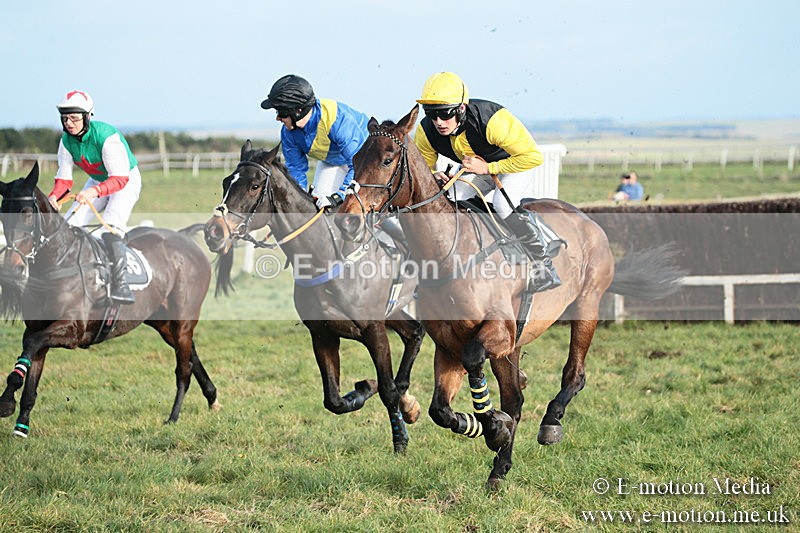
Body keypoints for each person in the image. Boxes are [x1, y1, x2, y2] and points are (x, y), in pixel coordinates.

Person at [413, 71, 561, 291]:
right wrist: (433, 174)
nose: (438, 122)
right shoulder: (426, 130)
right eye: (432, 114)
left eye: (444, 114)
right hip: (476, 168)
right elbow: (424, 166)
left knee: (502, 203)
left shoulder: (493, 121)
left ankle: (543, 266)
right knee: (450, 200)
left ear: (461, 109)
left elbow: (533, 157)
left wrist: (490, 168)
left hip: (514, 164)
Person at [47, 90, 141, 305]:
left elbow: (119, 179)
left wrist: (92, 192)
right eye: (65, 118)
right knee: (68, 227)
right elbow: (64, 179)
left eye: (74, 118)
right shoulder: (66, 141)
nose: (69, 123)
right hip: (98, 181)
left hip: (125, 181)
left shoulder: (107, 137)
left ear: (87, 117)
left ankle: (121, 285)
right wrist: (53, 197)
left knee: (109, 228)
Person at [260, 74, 370, 209]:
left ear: (298, 111)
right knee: (319, 206)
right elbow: (296, 169)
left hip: (366, 159)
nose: (278, 118)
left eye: (281, 112)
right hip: (333, 161)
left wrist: (339, 196)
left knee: (358, 207)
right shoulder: (288, 133)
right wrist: (299, 199)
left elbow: (357, 164)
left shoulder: (338, 121)